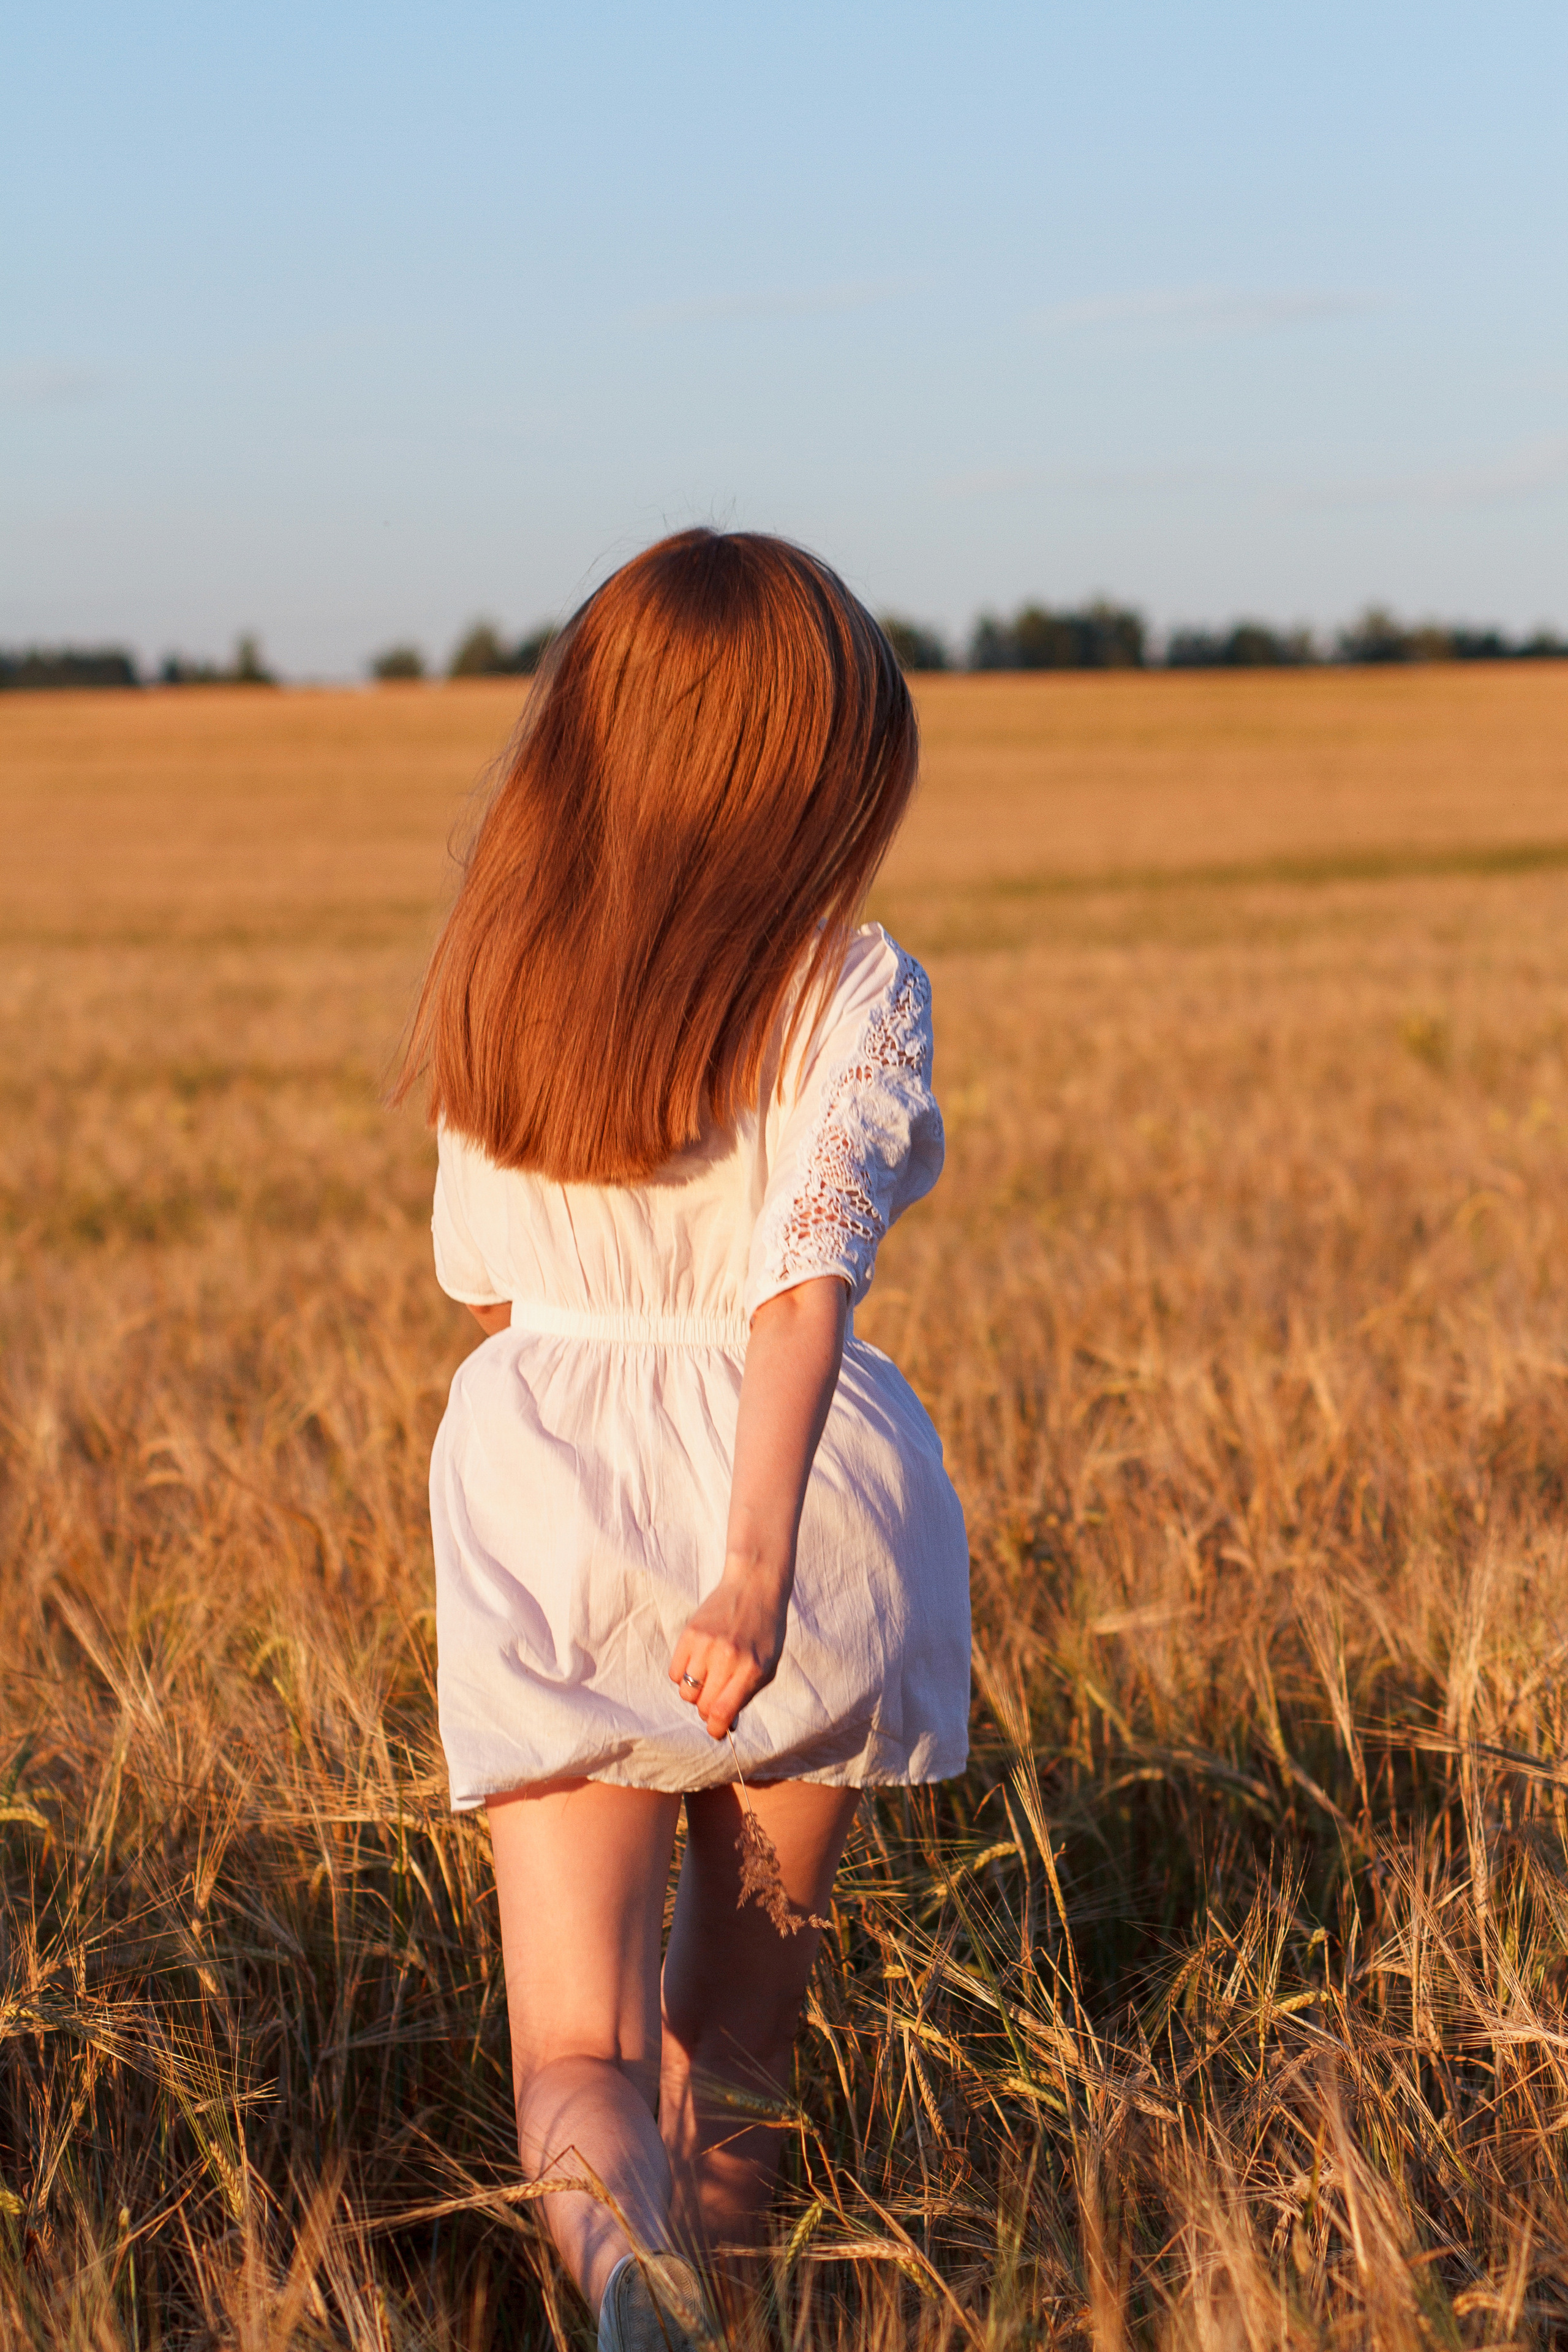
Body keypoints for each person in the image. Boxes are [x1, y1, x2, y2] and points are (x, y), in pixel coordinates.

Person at [395, 528, 970, 2350]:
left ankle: (620, 2282)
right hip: (801, 1528)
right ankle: (713, 2307)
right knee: (734, 2037)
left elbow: (485, 1290)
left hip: (547, 1511)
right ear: (824, 772)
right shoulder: (852, 985)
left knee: (573, 2044)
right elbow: (801, 1289)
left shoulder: (507, 978)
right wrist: (750, 1561)